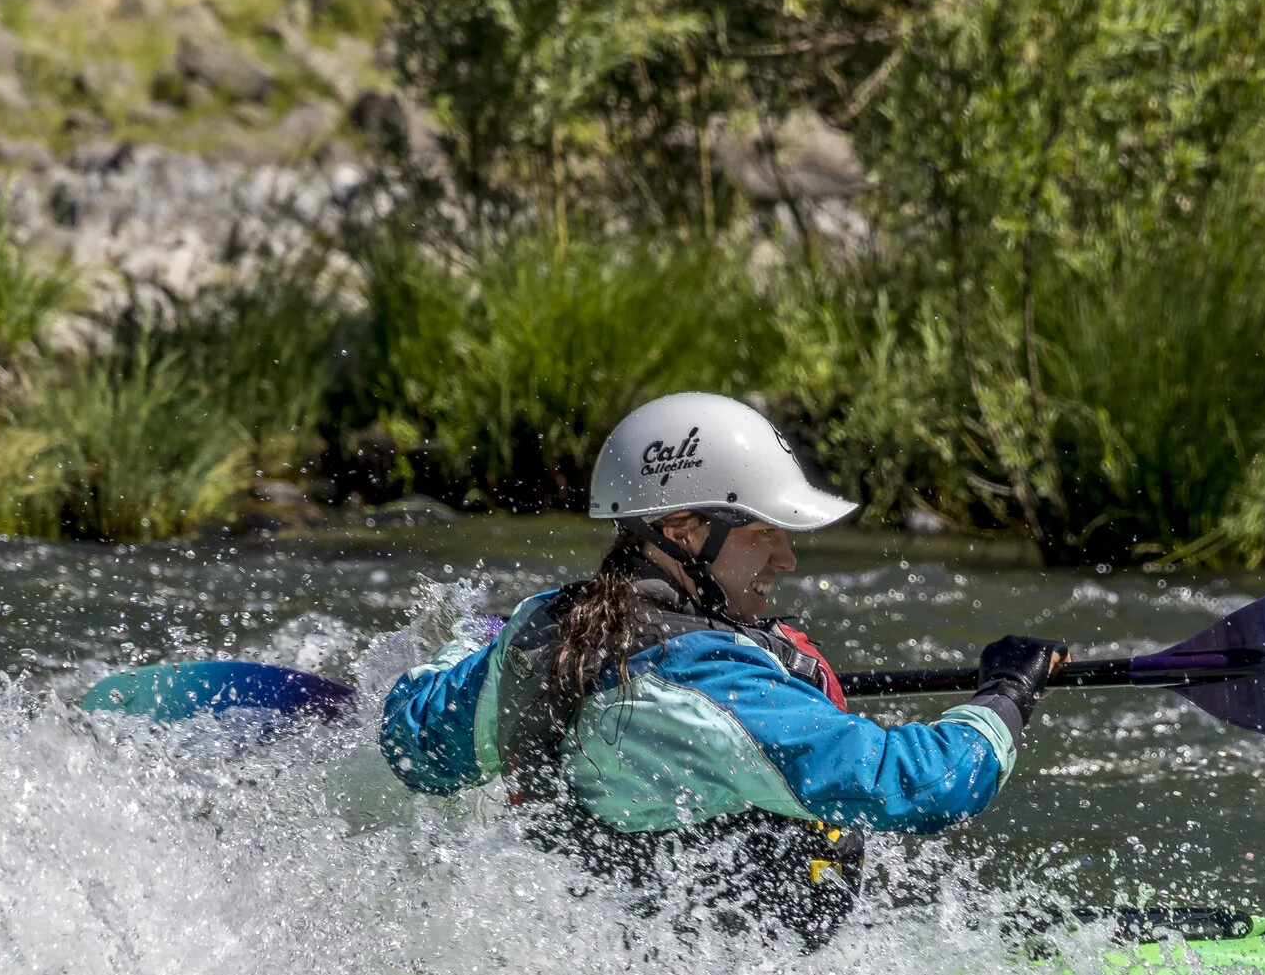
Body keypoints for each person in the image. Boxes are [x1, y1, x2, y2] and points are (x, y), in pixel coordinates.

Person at [379, 392, 1068, 942]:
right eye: (765, 531)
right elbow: (922, 784)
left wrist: (474, 646)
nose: (787, 558)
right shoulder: (706, 680)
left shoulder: (540, 633)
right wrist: (1006, 694)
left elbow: (416, 743)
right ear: (683, 530)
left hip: (608, 961)